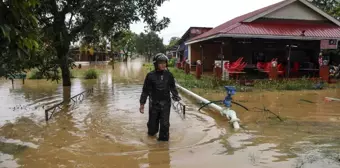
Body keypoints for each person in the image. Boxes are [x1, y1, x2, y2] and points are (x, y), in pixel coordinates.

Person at [139, 53, 181, 141]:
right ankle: (151, 140)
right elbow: (145, 90)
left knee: (165, 125)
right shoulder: (150, 76)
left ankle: (163, 146)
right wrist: (142, 103)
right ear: (156, 64)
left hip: (166, 103)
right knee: (152, 128)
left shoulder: (169, 75)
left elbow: (173, 87)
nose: (163, 64)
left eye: (164, 62)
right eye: (160, 62)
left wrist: (176, 96)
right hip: (154, 104)